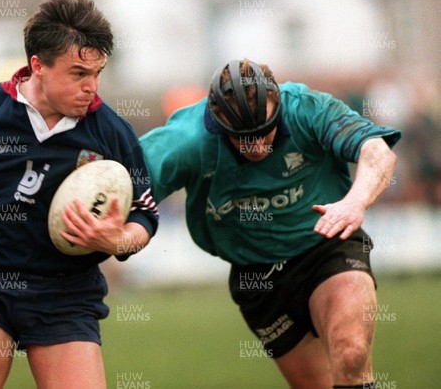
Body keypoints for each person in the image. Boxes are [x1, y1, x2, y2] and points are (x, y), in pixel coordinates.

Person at [0, 0, 158, 388]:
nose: (91, 87)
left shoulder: (111, 132)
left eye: (97, 73)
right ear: (37, 66)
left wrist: (119, 240)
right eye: (79, 74)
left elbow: (145, 214)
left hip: (66, 293)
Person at [140, 59, 400, 388]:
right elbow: (126, 184)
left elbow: (376, 150)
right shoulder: (187, 138)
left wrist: (355, 201)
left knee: (351, 353)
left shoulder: (308, 109)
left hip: (327, 243)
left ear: (278, 107)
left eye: (265, 131)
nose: (257, 146)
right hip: (256, 274)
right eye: (242, 138)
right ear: (220, 124)